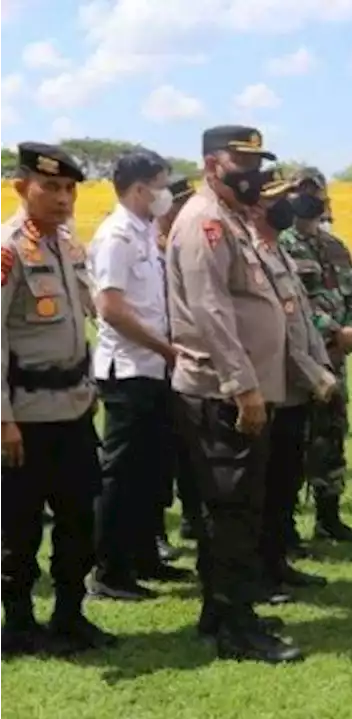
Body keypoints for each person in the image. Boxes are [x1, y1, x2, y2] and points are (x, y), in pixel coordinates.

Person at [167, 125, 299, 663]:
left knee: (233, 509)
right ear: (211, 164)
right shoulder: (205, 222)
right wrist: (244, 387)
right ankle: (237, 630)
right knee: (233, 513)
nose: (254, 174)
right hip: (222, 394)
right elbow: (211, 311)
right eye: (240, 162)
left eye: (257, 162)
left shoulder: (231, 220)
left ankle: (221, 611)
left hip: (238, 391)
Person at [0, 143, 115, 657]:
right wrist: (3, 421)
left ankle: (69, 616)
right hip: (24, 418)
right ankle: (20, 624)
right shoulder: (7, 249)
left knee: (78, 521)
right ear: (22, 186)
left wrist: (88, 391)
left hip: (72, 410)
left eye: (70, 189)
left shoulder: (67, 245)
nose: (63, 199)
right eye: (51, 187)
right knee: (18, 529)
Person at [88, 150, 194, 602]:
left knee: (153, 472)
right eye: (161, 184)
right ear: (139, 189)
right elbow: (110, 308)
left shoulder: (146, 232)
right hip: (129, 370)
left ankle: (145, 559)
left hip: (153, 369)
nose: (166, 193)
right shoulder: (115, 235)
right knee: (121, 475)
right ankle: (109, 572)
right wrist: (165, 349)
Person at [250, 172, 336, 602]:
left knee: (285, 481)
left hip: (295, 387)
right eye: (281, 199)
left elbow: (300, 319)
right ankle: (259, 575)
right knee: (264, 487)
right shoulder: (252, 252)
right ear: (259, 206)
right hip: (273, 385)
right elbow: (272, 329)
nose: (291, 205)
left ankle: (277, 562)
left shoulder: (275, 252)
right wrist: (316, 372)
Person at [279, 170, 352, 543]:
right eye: (303, 192)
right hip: (300, 361)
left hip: (336, 360)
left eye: (316, 192)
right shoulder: (281, 244)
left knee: (332, 436)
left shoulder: (335, 246)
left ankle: (329, 517)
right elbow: (292, 302)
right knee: (295, 440)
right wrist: (332, 328)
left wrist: (349, 329)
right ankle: (285, 527)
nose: (310, 198)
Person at [154, 176, 201, 552]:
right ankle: (155, 529)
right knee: (160, 454)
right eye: (180, 202)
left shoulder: (185, 243)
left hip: (187, 359)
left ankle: (192, 517)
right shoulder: (150, 244)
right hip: (158, 360)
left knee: (191, 447)